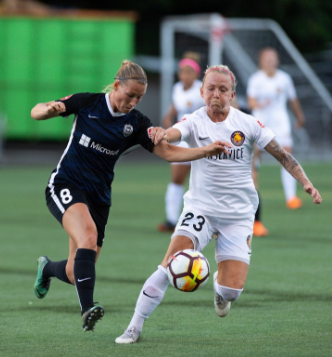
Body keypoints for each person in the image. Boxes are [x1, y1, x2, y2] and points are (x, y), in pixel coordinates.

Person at [115, 64, 322, 344]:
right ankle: (134, 327)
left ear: (232, 95)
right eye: (210, 88)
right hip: (200, 209)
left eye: (223, 90)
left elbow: (282, 154)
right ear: (201, 92)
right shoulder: (194, 120)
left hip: (238, 216)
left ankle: (219, 290)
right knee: (167, 266)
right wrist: (164, 133)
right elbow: (176, 131)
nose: (216, 94)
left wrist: (305, 181)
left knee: (231, 291)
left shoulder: (247, 124)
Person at [30, 60, 232, 332]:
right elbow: (36, 111)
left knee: (73, 270)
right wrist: (48, 110)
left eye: (140, 97)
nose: (133, 102)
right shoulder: (88, 103)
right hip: (66, 183)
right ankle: (87, 309)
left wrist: (205, 150)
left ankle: (47, 269)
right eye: (130, 95)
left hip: (99, 197)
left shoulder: (136, 123)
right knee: (88, 236)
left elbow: (168, 153)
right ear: (116, 86)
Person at [247, 47, 307, 236]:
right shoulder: (256, 79)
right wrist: (258, 104)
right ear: (261, 61)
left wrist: (299, 116)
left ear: (277, 61)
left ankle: (291, 197)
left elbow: (293, 100)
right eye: (267, 58)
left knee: (286, 155)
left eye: (273, 58)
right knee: (255, 157)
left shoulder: (284, 78)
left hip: (280, 122)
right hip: (261, 122)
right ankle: (252, 188)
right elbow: (250, 102)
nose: (270, 61)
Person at [158, 52, 205, 232]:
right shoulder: (177, 88)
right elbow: (175, 108)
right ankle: (171, 220)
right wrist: (169, 118)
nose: (185, 75)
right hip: (183, 140)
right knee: (177, 179)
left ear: (196, 74)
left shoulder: (202, 89)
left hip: (201, 141)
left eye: (189, 72)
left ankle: (209, 220)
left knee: (204, 181)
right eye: (182, 71)